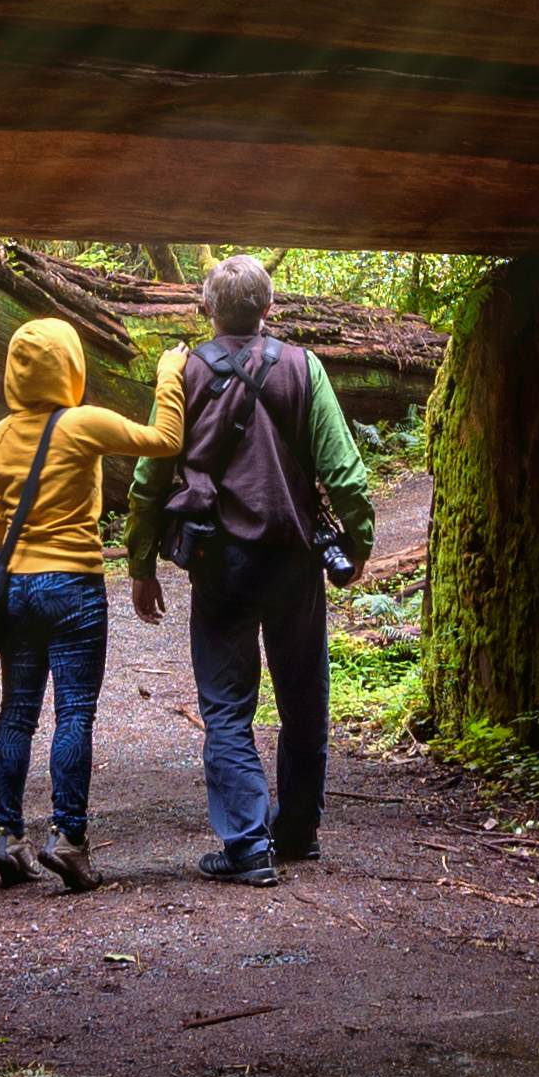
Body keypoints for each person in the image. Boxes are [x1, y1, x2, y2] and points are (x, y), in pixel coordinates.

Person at [130, 255, 373, 887]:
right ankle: (296, 831)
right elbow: (343, 467)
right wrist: (360, 540)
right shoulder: (303, 367)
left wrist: (141, 562)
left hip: (220, 563)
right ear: (270, 309)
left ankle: (246, 845)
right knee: (303, 697)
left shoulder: (182, 372)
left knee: (228, 704)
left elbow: (150, 476)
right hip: (294, 560)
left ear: (206, 310)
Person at [0, 311, 183, 893]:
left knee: (16, 713)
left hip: (17, 587)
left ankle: (7, 838)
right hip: (73, 586)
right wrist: (169, 371)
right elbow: (165, 440)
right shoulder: (83, 423)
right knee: (73, 714)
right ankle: (67, 840)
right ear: (69, 366)